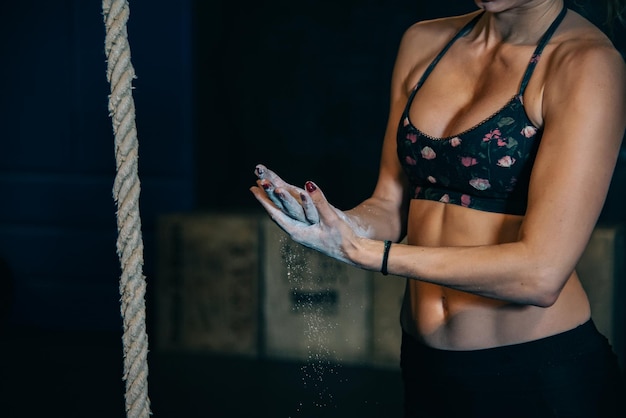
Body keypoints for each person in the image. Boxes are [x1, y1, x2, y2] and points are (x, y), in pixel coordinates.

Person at [250, 0, 626, 416]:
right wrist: (336, 222)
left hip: (536, 375)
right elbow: (390, 206)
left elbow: (540, 276)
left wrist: (368, 253)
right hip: (425, 366)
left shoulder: (587, 64)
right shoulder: (425, 41)